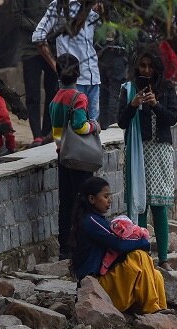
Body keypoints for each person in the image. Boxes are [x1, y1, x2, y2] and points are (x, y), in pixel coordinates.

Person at [117, 45, 177, 271]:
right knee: (139, 204)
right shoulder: (128, 89)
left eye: (150, 66)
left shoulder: (166, 89)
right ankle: (142, 257)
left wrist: (155, 104)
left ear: (157, 68)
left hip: (160, 151)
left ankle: (163, 258)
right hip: (138, 151)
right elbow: (122, 122)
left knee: (160, 206)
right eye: (142, 66)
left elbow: (171, 118)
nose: (146, 70)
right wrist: (133, 105)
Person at [71, 176, 167, 314]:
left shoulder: (97, 219)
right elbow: (118, 245)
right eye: (105, 196)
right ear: (92, 199)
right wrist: (142, 243)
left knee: (155, 274)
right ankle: (152, 308)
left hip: (105, 282)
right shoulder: (91, 221)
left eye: (109, 196)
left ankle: (160, 309)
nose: (110, 200)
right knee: (138, 256)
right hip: (97, 286)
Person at [49, 53, 100, 260]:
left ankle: (64, 247)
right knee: (85, 201)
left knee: (66, 202)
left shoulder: (55, 99)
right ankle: (83, 244)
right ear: (78, 73)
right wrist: (94, 126)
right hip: (79, 158)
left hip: (63, 155)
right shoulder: (79, 98)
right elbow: (80, 125)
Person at [32, 0, 101, 121]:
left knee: (93, 128)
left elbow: (107, 36)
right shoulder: (59, 6)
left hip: (94, 79)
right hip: (72, 82)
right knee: (72, 128)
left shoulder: (93, 7)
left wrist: (100, 14)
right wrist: (57, 67)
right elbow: (38, 36)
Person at [11, 0, 57, 146]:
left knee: (53, 92)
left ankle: (46, 133)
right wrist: (39, 28)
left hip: (52, 49)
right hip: (30, 49)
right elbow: (17, 16)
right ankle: (37, 135)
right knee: (32, 94)